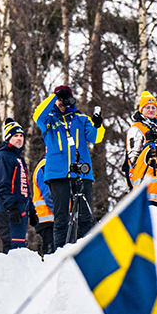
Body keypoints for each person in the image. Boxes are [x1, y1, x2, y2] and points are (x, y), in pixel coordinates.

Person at [32, 85, 105, 248]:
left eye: (65, 100)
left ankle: (86, 251)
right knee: (61, 217)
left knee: (85, 216)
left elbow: (96, 138)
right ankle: (59, 252)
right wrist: (54, 97)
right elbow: (37, 115)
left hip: (82, 172)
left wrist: (98, 124)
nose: (63, 104)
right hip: (57, 174)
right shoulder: (49, 120)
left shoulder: (81, 119)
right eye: (60, 101)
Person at [126, 91, 157, 209]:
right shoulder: (137, 128)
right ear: (141, 110)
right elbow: (134, 156)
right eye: (147, 107)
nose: (151, 110)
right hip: (144, 176)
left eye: (153, 107)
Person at [0, 118, 31, 252]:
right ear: (8, 137)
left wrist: (30, 208)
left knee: (20, 249)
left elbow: (23, 185)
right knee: (11, 250)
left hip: (21, 209)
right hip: (8, 210)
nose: (19, 139)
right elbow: (3, 184)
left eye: (21, 136)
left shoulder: (19, 158)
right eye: (15, 136)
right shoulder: (3, 156)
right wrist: (11, 206)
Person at [30, 157, 54, 255]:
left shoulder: (52, 165)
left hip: (49, 218)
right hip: (47, 218)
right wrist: (61, 212)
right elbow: (48, 194)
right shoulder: (45, 166)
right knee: (50, 253)